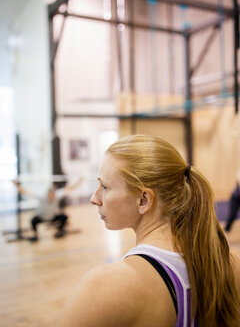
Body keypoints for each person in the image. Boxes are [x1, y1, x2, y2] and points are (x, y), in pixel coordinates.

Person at [56, 135, 240, 327]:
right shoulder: (230, 266)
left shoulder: (108, 285)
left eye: (104, 187)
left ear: (144, 200)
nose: (94, 198)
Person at [13, 177, 82, 241]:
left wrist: (79, 181)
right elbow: (25, 192)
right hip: (41, 217)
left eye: (53, 195)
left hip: (53, 217)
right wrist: (16, 185)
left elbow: (70, 189)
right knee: (33, 221)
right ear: (48, 194)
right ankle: (35, 235)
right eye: (51, 195)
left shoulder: (57, 195)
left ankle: (60, 231)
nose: (52, 197)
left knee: (64, 217)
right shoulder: (41, 196)